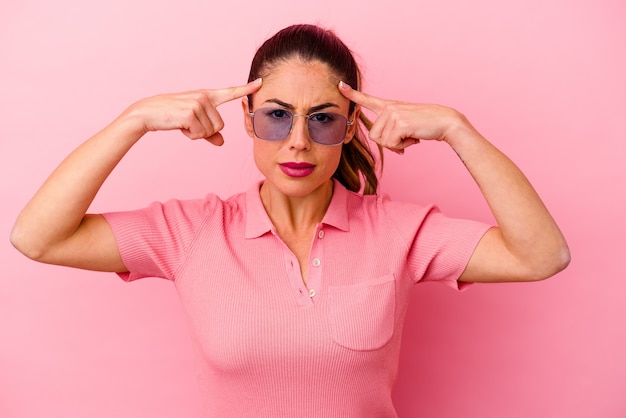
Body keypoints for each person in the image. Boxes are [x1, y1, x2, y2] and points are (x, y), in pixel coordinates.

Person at [10, 24, 570, 417]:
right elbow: (36, 238)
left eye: (322, 119)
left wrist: (456, 128)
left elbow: (542, 255)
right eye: (277, 116)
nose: (298, 141)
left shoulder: (402, 232)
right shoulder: (191, 232)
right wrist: (132, 120)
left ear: (352, 127)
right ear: (249, 121)